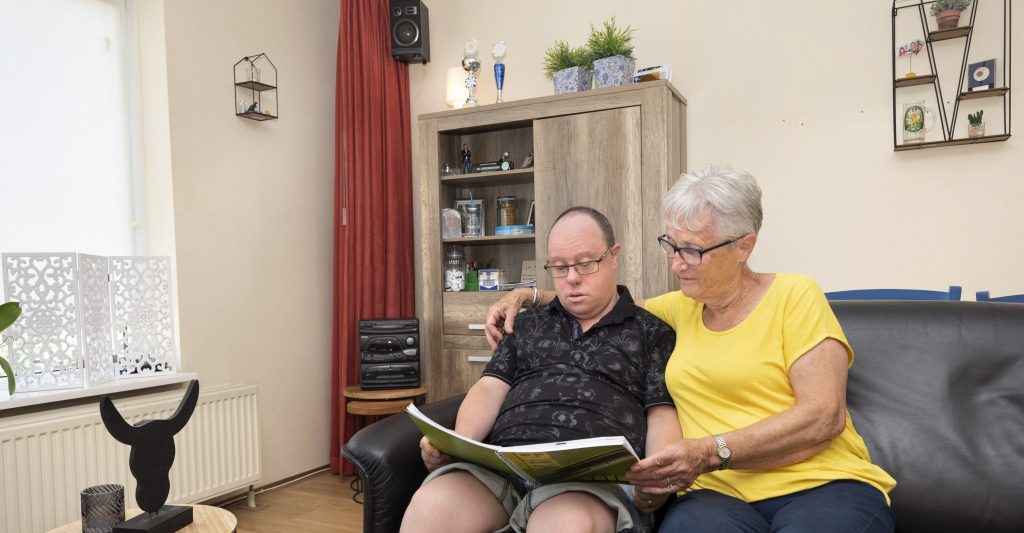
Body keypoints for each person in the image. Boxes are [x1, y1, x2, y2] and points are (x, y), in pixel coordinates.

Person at [485, 165, 897, 532]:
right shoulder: (677, 309)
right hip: (715, 498)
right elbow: (600, 300)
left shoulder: (795, 295)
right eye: (672, 246)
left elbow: (823, 416)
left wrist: (710, 450)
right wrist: (527, 294)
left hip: (820, 486)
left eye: (692, 251)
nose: (676, 264)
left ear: (744, 247)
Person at [401, 206, 679, 533]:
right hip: (500, 468)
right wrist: (456, 443)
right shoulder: (527, 323)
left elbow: (660, 412)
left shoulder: (651, 332)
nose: (572, 278)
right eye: (559, 268)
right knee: (431, 506)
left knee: (564, 524)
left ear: (613, 256)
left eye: (585, 263)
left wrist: (657, 481)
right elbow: (490, 387)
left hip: (588, 483)